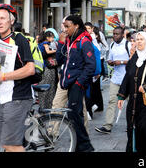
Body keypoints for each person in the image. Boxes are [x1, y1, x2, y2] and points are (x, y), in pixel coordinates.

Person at [0, 4, 36, 152]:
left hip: (18, 98)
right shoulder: (1, 43)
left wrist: (4, 76)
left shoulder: (19, 39)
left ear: (11, 21)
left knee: (11, 145)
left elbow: (30, 69)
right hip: (4, 98)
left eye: (2, 18)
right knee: (4, 143)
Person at [56, 14, 96, 152]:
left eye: (67, 26)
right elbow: (60, 60)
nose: (65, 29)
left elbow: (91, 65)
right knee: (74, 115)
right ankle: (82, 145)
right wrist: (61, 43)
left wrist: (79, 83)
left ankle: (85, 146)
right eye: (64, 27)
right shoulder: (69, 40)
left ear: (76, 25)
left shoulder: (84, 41)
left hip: (77, 83)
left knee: (75, 115)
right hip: (67, 81)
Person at [95, 26, 130, 134]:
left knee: (131, 104)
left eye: (117, 34)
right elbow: (109, 58)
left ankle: (132, 125)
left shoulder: (128, 45)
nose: (114, 36)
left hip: (127, 79)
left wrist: (122, 62)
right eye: (114, 33)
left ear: (122, 34)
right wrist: (110, 61)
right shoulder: (112, 44)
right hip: (115, 78)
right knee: (111, 101)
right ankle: (107, 126)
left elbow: (134, 61)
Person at [84, 22, 104, 117]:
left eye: (88, 28)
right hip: (88, 70)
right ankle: (91, 108)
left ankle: (89, 111)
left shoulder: (92, 40)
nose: (87, 30)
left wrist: (97, 71)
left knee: (90, 91)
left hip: (91, 71)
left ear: (92, 29)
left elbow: (97, 54)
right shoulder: (85, 38)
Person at [37, 30, 58, 111]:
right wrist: (56, 51)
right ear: (47, 38)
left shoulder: (40, 44)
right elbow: (48, 52)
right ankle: (47, 106)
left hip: (42, 68)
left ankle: (44, 106)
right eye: (52, 37)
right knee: (49, 87)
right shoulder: (45, 44)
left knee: (45, 87)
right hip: (47, 68)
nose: (53, 39)